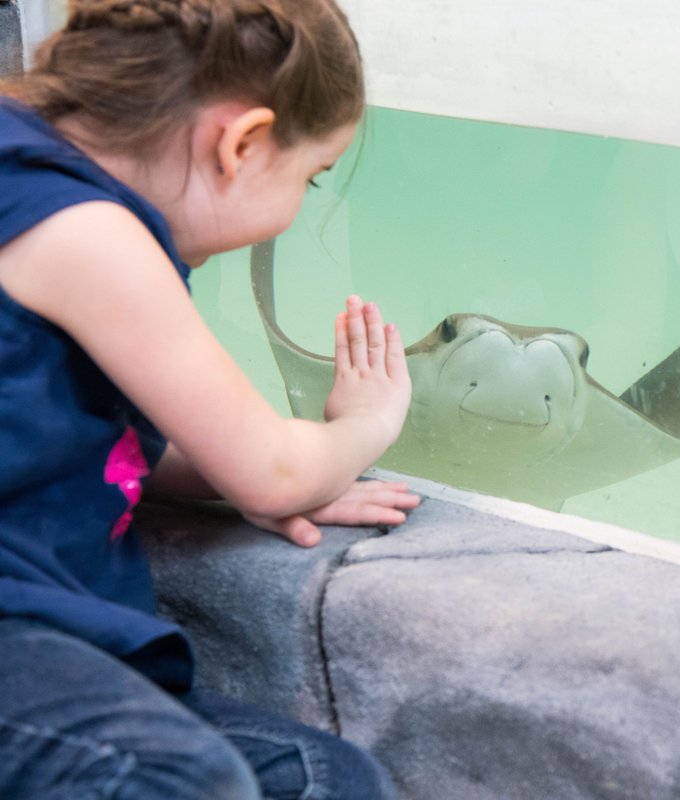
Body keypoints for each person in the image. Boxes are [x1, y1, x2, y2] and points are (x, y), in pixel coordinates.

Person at [0, 0, 418, 797]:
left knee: (324, 778)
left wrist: (229, 470)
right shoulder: (84, 229)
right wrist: (361, 426)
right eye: (310, 175)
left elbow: (53, 437)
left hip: (42, 638)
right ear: (242, 143)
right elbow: (273, 473)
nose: (299, 207)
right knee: (176, 776)